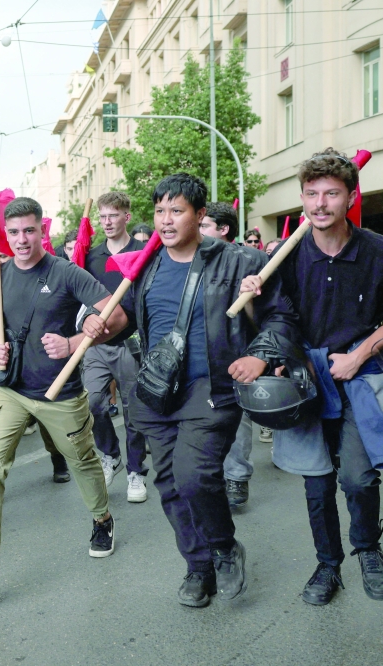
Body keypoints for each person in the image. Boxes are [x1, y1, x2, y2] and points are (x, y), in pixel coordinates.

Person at [116, 173, 298, 608]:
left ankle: (222, 547)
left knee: (194, 476)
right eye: (159, 211)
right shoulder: (146, 264)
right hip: (156, 390)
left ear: (200, 216)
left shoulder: (239, 261)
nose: (165, 219)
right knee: (169, 485)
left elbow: (281, 316)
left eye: (176, 210)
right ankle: (197, 567)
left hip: (211, 388)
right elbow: (124, 318)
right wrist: (95, 329)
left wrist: (259, 355)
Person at [0, 196, 123, 600]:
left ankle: (102, 518)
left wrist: (75, 340)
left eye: (29, 230)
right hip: (9, 390)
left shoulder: (66, 273)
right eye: (14, 232)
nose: (22, 239)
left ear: (44, 230)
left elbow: (117, 317)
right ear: (5, 235)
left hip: (59, 392)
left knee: (84, 461)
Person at [239, 148, 383, 606]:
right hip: (305, 379)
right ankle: (328, 563)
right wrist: (253, 296)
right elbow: (277, 320)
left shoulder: (378, 250)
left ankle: (368, 549)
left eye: (331, 193)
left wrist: (359, 355)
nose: (320, 204)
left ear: (349, 197)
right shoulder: (282, 255)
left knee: (359, 478)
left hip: (361, 376)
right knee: (316, 481)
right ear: (302, 198)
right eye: (312, 194)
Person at [81, 191, 149, 502]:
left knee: (133, 410)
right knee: (93, 403)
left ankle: (136, 470)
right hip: (96, 342)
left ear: (126, 217)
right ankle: (110, 456)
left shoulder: (144, 251)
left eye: (113, 215)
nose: (107, 221)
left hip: (131, 343)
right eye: (103, 216)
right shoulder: (92, 257)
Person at [200, 201, 265, 508]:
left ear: (223, 229)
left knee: (238, 420)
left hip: (238, 353)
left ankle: (237, 476)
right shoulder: (193, 259)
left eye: (204, 226)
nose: (197, 232)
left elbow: (267, 316)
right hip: (203, 357)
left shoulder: (252, 260)